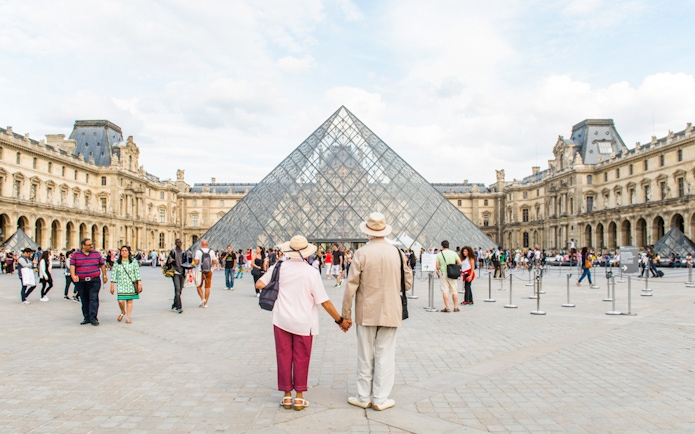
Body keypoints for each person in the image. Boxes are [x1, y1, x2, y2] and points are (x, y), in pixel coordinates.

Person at [256, 235, 349, 411]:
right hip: (304, 322)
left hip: (281, 319)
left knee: (283, 357)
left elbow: (260, 284)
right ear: (306, 253)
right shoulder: (311, 272)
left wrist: (277, 288)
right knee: (301, 358)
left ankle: (286, 396)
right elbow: (324, 302)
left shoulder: (279, 267)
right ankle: (299, 397)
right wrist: (340, 321)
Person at [342, 212, 413, 411]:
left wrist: (345, 314)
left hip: (366, 312)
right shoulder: (397, 253)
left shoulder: (361, 253)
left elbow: (350, 287)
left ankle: (363, 397)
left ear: (368, 232)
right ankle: (381, 399)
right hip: (391, 310)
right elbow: (408, 282)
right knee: (385, 355)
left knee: (365, 355)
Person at [70, 238, 108, 326]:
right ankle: (86, 317)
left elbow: (102, 265)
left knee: (93, 298)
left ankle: (93, 318)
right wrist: (73, 275)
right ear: (83, 246)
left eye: (92, 244)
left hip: (94, 280)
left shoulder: (96, 253)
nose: (91, 246)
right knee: (84, 299)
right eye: (89, 245)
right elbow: (72, 266)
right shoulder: (76, 255)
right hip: (81, 281)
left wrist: (104, 276)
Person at [109, 245, 141, 324]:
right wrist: (112, 285)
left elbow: (137, 273)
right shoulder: (117, 263)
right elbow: (113, 274)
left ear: (128, 252)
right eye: (122, 250)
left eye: (125, 250)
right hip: (121, 284)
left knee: (129, 301)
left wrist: (139, 283)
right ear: (120, 252)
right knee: (120, 301)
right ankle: (123, 311)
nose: (124, 252)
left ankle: (128, 318)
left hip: (131, 283)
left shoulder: (133, 261)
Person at [436, 240, 462, 312]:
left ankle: (447, 307)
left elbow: (437, 266)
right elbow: (460, 263)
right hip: (453, 274)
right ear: (449, 246)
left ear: (442, 246)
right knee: (454, 291)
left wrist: (439, 269)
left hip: (444, 274)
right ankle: (456, 307)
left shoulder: (439, 254)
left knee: (445, 291)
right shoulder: (454, 253)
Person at [194, 239, 216, 308]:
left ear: (201, 244)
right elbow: (214, 262)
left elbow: (196, 262)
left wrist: (195, 262)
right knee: (207, 287)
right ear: (207, 244)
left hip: (200, 271)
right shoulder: (211, 251)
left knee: (198, 286)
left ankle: (202, 298)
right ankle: (206, 303)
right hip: (209, 271)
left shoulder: (198, 251)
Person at [166, 238, 186, 313]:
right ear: (175, 243)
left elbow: (186, 262)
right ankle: (179, 307)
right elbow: (167, 263)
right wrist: (169, 261)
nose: (179, 243)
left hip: (182, 273)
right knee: (177, 289)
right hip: (175, 273)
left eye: (180, 242)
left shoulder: (184, 252)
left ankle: (174, 304)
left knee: (179, 290)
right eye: (178, 242)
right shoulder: (173, 252)